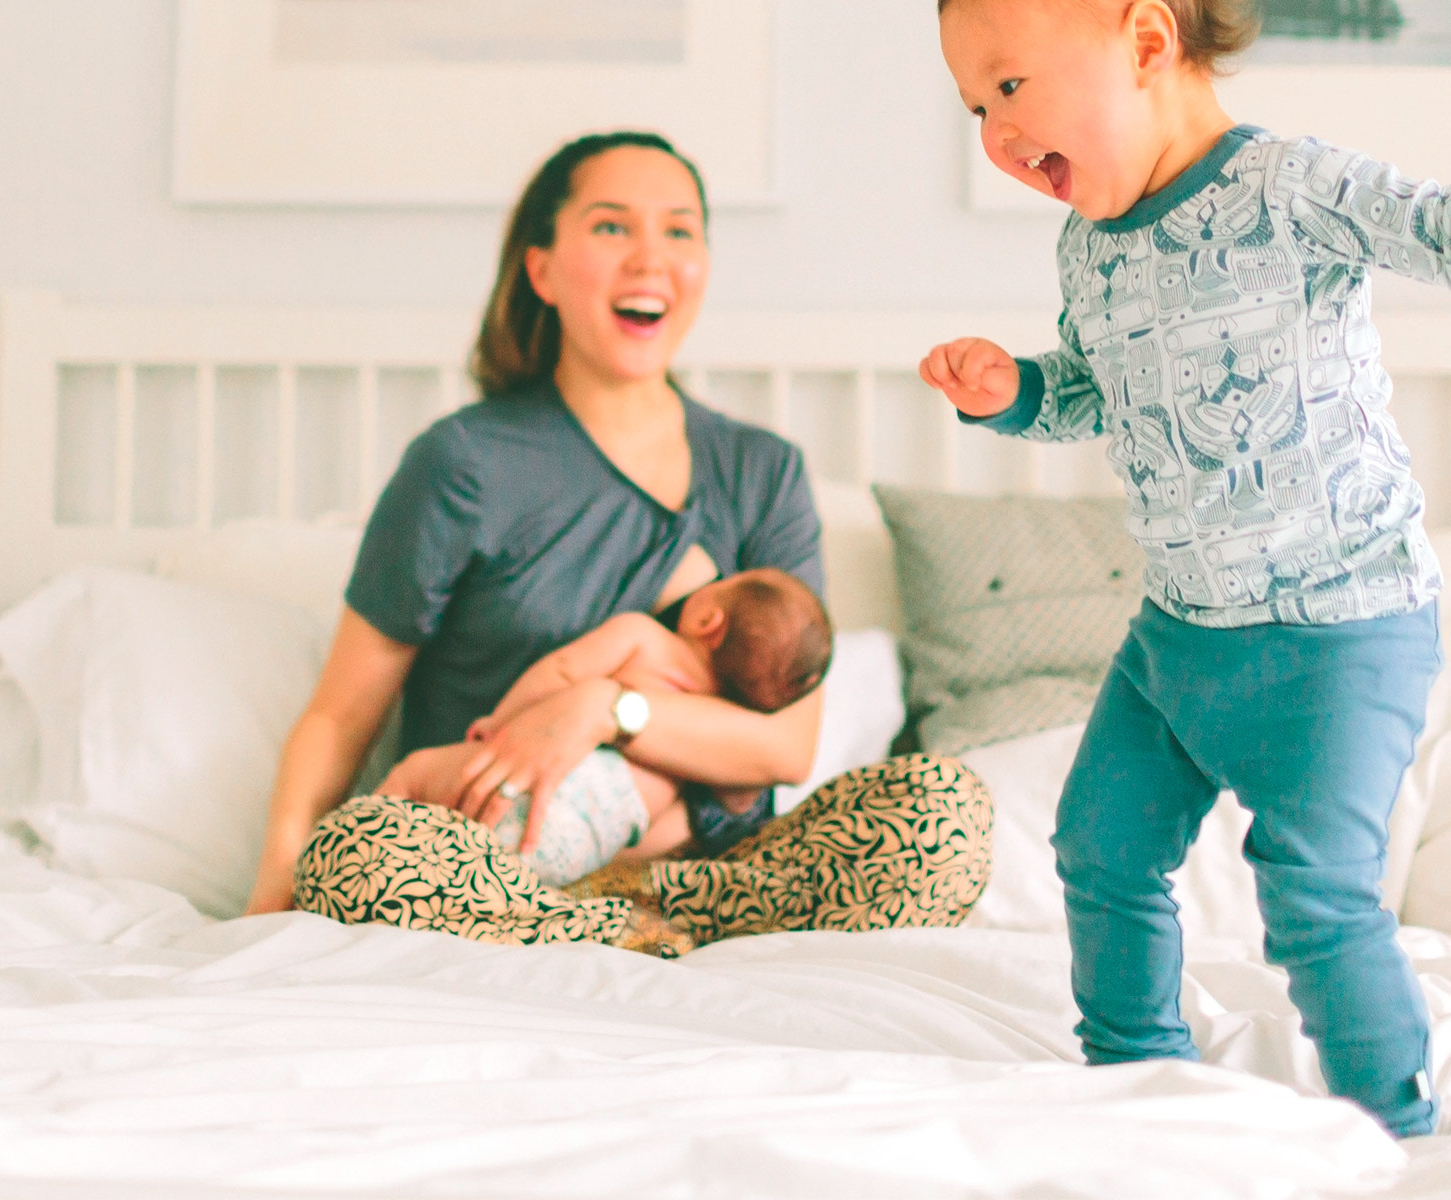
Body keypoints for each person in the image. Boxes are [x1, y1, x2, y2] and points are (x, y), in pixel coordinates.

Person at [921, 0, 1451, 1137]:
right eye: (974, 108)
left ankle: (1393, 1122)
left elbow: (1428, 218)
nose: (994, 132)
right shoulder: (1088, 244)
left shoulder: (1286, 186)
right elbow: (1100, 390)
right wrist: (1019, 393)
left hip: (1341, 625)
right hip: (1178, 633)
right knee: (1101, 845)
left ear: (1145, 43)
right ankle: (1136, 1067)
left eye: (1007, 88)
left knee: (1316, 895)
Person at [246, 130, 990, 955]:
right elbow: (340, 715)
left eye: (679, 230)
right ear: (541, 269)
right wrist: (273, 891)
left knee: (942, 819)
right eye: (610, 227)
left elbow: (784, 745)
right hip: (498, 869)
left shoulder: (762, 471)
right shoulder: (462, 463)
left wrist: (604, 709)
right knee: (358, 857)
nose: (650, 258)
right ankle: (602, 930)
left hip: (713, 873)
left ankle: (629, 929)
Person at [377, 567, 833, 891]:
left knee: (414, 774)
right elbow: (732, 802)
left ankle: (348, 852)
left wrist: (503, 724)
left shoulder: (645, 638)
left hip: (531, 786)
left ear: (708, 620)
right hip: (579, 851)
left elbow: (561, 672)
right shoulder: (715, 732)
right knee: (486, 883)